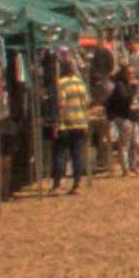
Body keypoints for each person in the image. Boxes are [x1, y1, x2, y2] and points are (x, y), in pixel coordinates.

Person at [50, 52, 96, 191]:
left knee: (60, 154)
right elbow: (87, 102)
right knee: (77, 154)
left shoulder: (61, 84)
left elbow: (61, 104)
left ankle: (58, 185)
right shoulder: (80, 83)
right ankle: (77, 184)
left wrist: (56, 122)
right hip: (80, 123)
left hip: (65, 124)